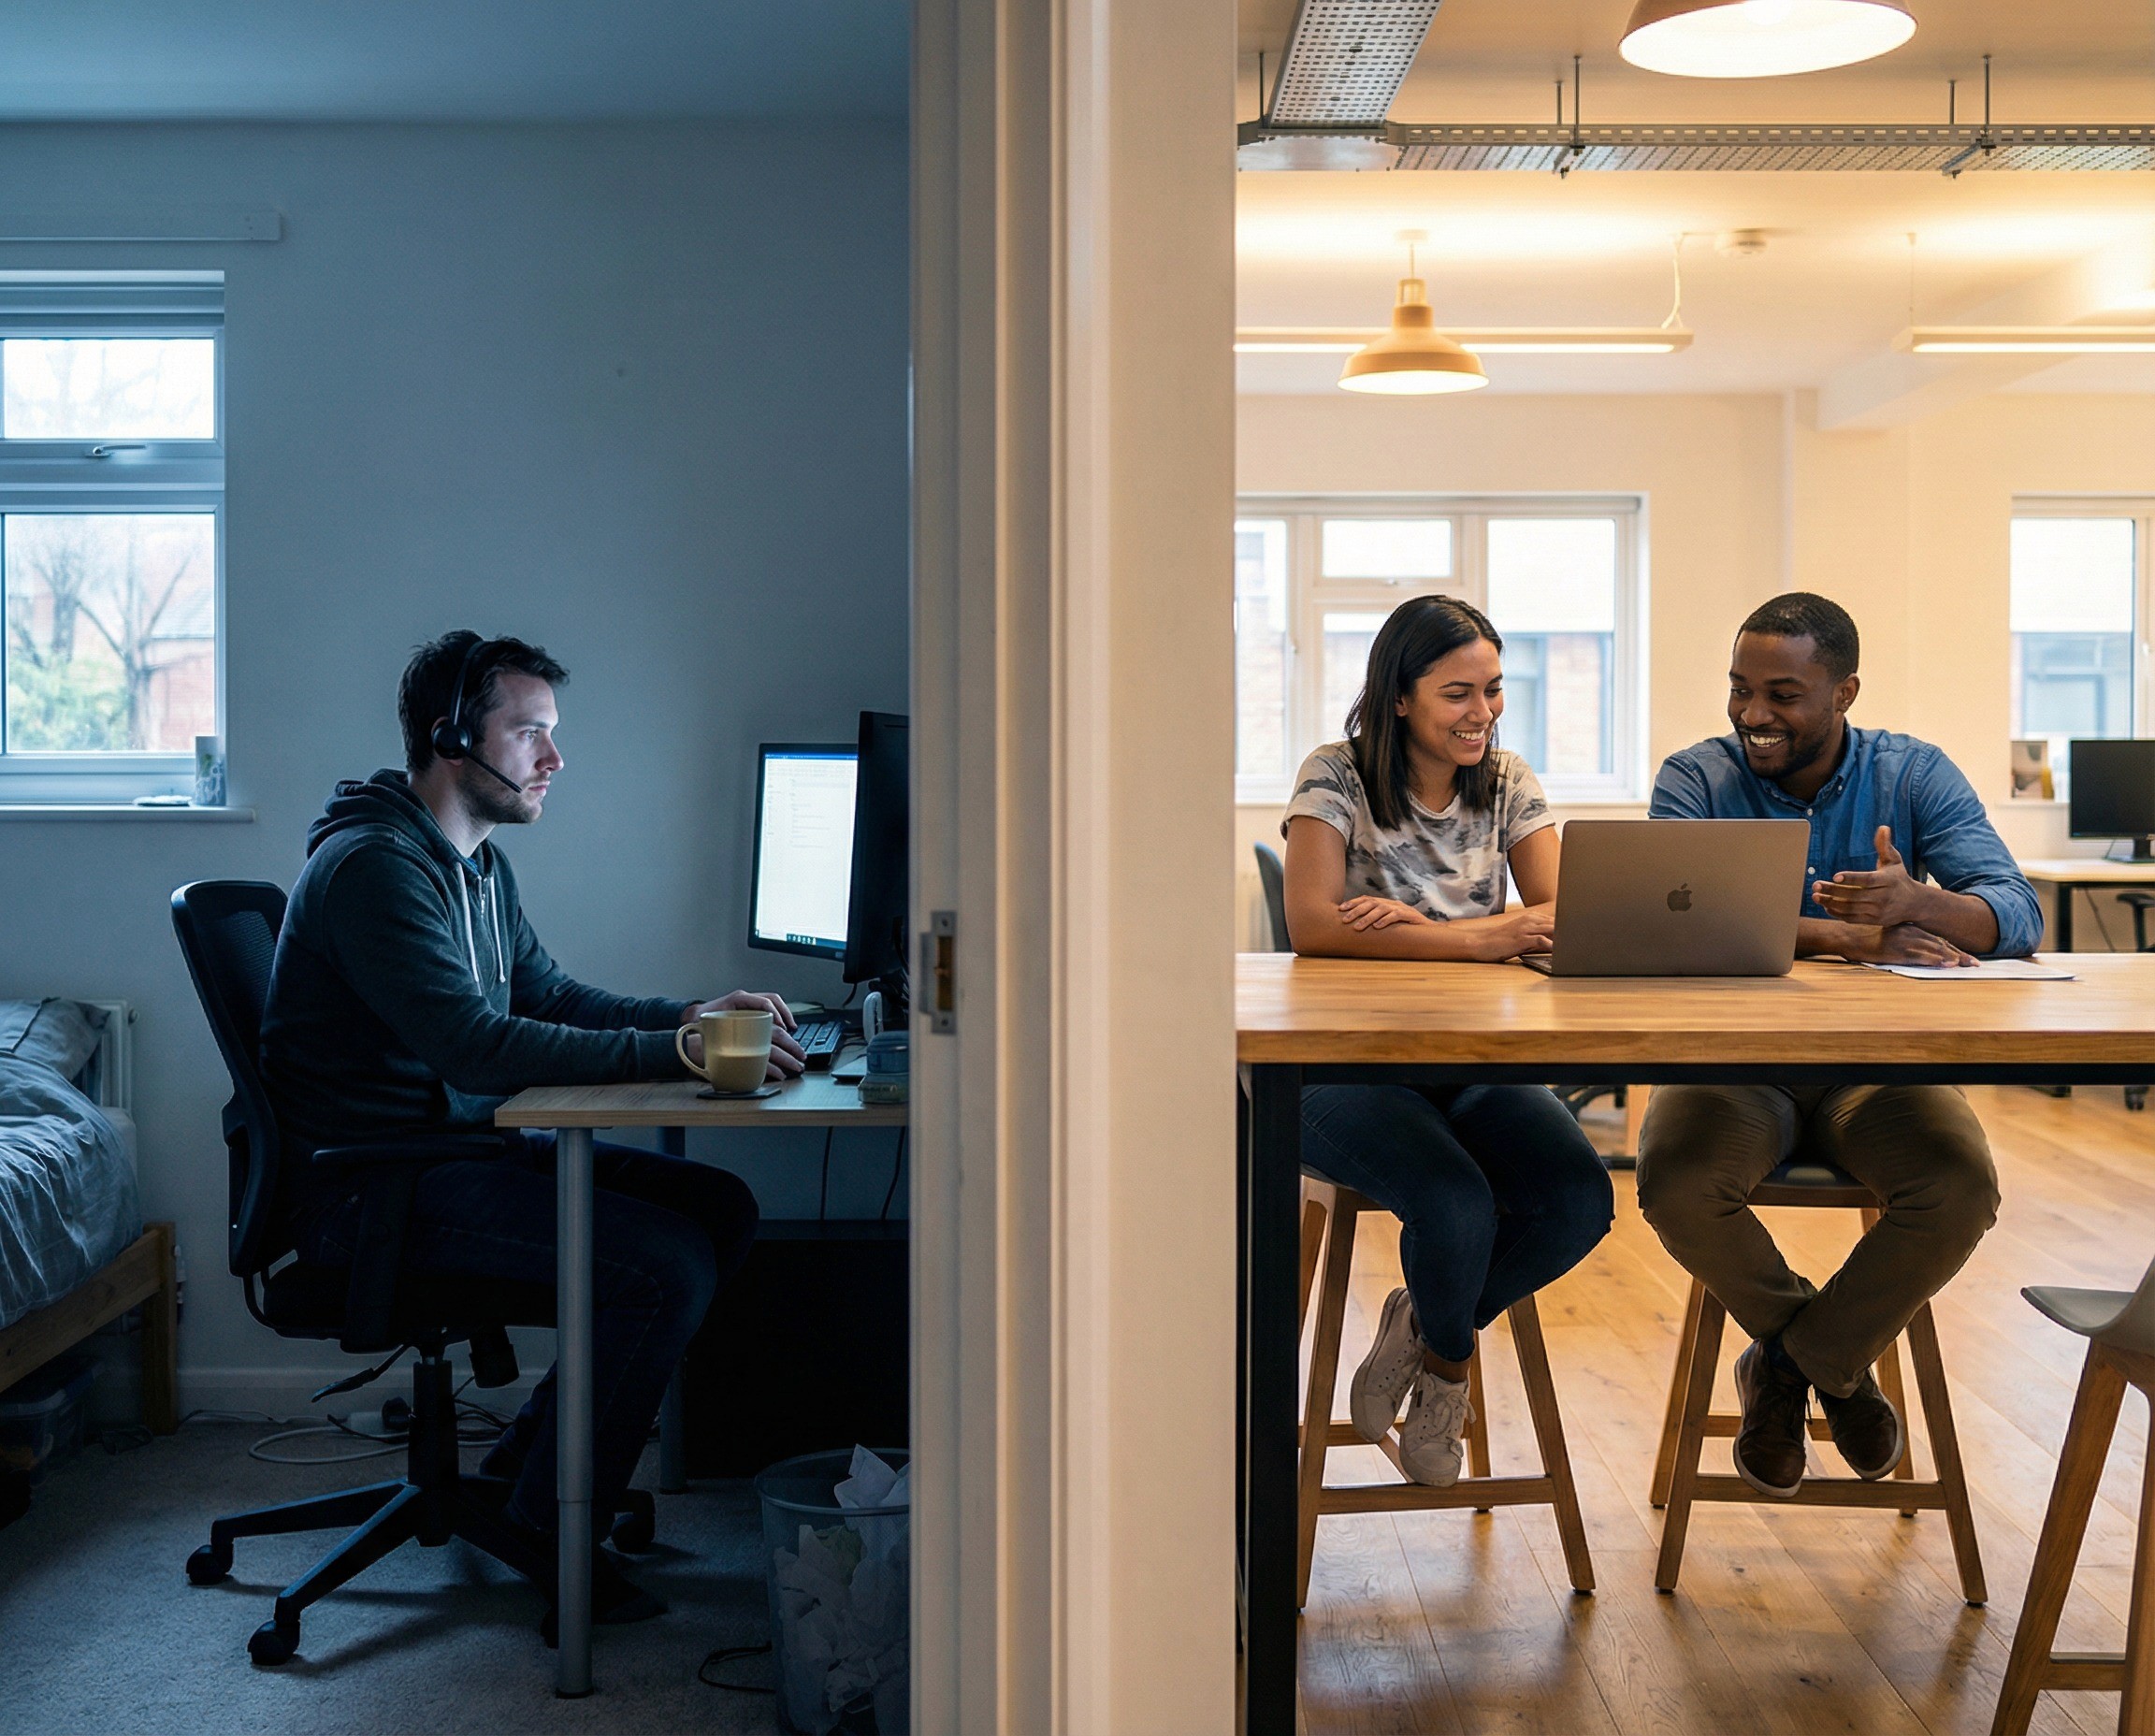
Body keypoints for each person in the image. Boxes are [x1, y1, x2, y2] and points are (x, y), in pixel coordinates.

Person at [260, 629, 806, 1621]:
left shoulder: (476, 863)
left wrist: (686, 1017)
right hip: (371, 1191)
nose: (554, 758)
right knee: (661, 1266)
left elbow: (546, 993)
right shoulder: (375, 869)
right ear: (450, 737)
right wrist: (677, 1058)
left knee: (718, 1207)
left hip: (452, 1156)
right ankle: (552, 1527)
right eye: (531, 733)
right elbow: (476, 1044)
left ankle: (525, 1486)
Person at [1639, 591, 2039, 1498]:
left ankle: (1787, 1366)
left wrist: (1920, 904)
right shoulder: (1695, 778)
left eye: (1782, 693)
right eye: (1740, 688)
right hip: (1736, 1067)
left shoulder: (1914, 773)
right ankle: (1841, 1368)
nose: (1752, 715)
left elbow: (2017, 911)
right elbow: (1677, 919)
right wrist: (1848, 937)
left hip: (1877, 1069)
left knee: (1960, 1184)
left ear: (1844, 691)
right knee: (1675, 1181)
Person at [1280, 595, 1613, 1485]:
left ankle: (1427, 1333)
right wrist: (1473, 934)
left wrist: (1408, 927)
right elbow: (1313, 923)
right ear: (1399, 697)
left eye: (1494, 691)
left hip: (1473, 1060)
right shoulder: (1335, 776)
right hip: (1342, 1070)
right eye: (1458, 693)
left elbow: (1557, 916)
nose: (1483, 713)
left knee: (1579, 1200)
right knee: (1458, 1204)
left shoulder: (1508, 781)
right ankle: (1452, 1375)